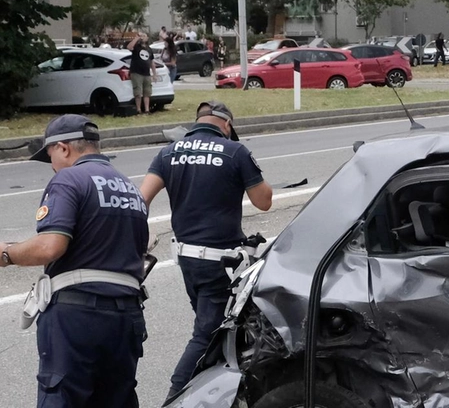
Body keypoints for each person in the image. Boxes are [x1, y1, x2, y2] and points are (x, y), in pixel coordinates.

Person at [2, 115, 149, 408]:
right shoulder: (128, 186)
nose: (52, 165)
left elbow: (50, 246)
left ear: (64, 148)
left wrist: (7, 254)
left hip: (78, 317)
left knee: (62, 397)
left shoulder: (69, 178)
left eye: (51, 156)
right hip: (126, 318)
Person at [141, 101, 273, 404]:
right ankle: (175, 397)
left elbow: (141, 198)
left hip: (187, 259)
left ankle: (214, 393)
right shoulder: (235, 152)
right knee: (207, 335)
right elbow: (263, 201)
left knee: (214, 329)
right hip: (221, 263)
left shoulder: (168, 152)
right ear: (226, 125)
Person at [127, 34, 157, 114]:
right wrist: (136, 39)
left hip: (146, 73)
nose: (142, 37)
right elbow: (129, 47)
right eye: (141, 35)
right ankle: (138, 109)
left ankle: (147, 110)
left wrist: (154, 74)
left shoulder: (149, 49)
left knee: (147, 92)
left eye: (144, 35)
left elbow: (152, 62)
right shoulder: (136, 47)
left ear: (147, 38)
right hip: (136, 72)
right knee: (138, 92)